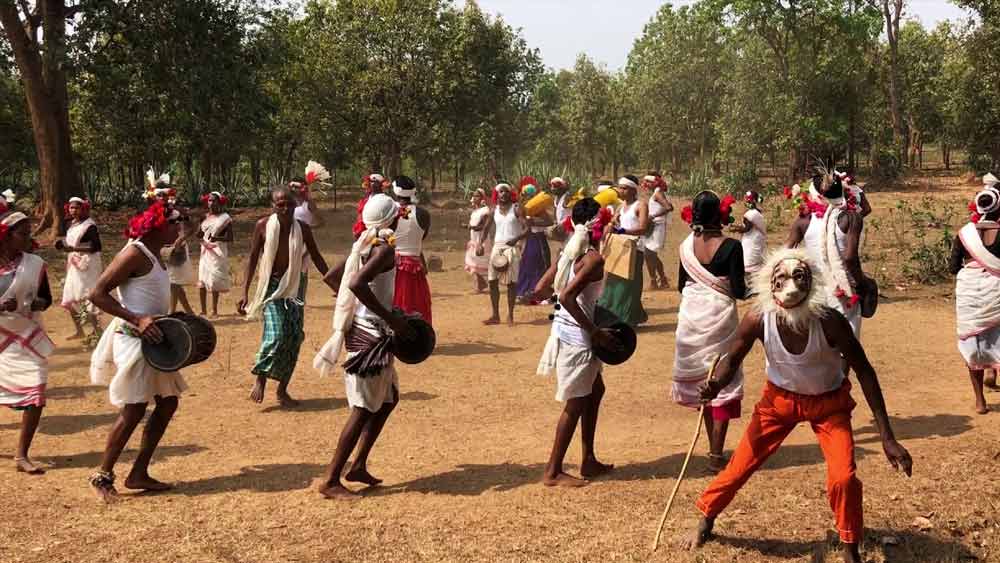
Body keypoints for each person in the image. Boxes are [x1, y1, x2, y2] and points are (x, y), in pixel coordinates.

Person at [686, 248, 913, 563]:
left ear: (811, 285)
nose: (791, 287)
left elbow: (865, 371)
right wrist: (715, 385)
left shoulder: (829, 321)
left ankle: (850, 548)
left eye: (799, 279)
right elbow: (731, 360)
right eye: (782, 280)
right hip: (778, 401)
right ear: (771, 286)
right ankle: (707, 515)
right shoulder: (757, 317)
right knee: (740, 466)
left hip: (829, 404)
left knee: (843, 477)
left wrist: (887, 437)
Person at [313, 194, 414, 498]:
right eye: (397, 215)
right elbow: (355, 283)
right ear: (391, 220)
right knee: (361, 409)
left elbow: (334, 277)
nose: (400, 218)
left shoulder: (363, 244)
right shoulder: (382, 250)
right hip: (371, 334)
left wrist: (359, 308)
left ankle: (357, 465)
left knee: (387, 399)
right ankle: (331, 480)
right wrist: (385, 316)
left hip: (368, 329)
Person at [88, 201, 189, 501]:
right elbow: (96, 293)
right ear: (158, 226)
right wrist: (137, 319)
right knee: (133, 409)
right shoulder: (134, 252)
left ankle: (139, 473)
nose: (179, 225)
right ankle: (102, 475)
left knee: (168, 403)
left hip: (155, 341)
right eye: (174, 221)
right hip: (134, 340)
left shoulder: (155, 254)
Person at [534, 198, 616, 486]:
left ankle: (589, 460)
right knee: (576, 401)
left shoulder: (567, 252)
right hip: (580, 337)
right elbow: (568, 297)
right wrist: (593, 330)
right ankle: (553, 471)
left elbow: (541, 288)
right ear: (600, 224)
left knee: (595, 390)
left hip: (565, 330)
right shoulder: (592, 259)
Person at [673, 191, 747, 473]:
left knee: (704, 382)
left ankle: (713, 450)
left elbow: (682, 286)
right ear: (720, 215)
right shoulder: (731, 247)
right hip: (720, 319)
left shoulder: (685, 247)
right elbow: (739, 291)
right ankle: (717, 455)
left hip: (692, 318)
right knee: (722, 379)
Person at [239, 186, 328, 407]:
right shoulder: (262, 226)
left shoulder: (303, 229)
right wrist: (244, 291)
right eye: (280, 204)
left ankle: (282, 390)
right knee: (277, 333)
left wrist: (336, 283)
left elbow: (317, 257)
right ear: (273, 206)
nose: (286, 207)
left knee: (295, 336)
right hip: (271, 286)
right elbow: (252, 259)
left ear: (296, 204)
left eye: (289, 203)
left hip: (295, 287)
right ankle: (260, 378)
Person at [0, 208, 53, 474]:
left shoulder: (34, 264)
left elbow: (47, 299)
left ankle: (21, 455)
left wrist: (36, 303)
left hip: (25, 336)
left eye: (28, 233)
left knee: (36, 390)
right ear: (6, 236)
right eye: (22, 234)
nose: (27, 239)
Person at [786, 171, 869, 338]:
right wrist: (863, 283)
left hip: (812, 292)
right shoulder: (851, 218)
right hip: (843, 293)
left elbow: (786, 253)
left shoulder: (804, 220)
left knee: (817, 345)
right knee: (846, 348)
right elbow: (849, 258)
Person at [950, 183, 1000, 414]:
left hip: (969, 293)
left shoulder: (964, 234)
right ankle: (994, 370)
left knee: (974, 343)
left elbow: (953, 267)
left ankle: (980, 401)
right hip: (996, 291)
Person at [597, 176, 649, 327]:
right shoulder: (621, 207)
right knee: (614, 282)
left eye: (624, 188)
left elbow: (643, 228)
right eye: (620, 187)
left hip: (635, 249)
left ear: (633, 190)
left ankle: (627, 319)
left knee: (630, 285)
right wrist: (605, 233)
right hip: (620, 248)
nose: (620, 191)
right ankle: (615, 315)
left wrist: (623, 230)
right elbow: (612, 223)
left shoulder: (641, 205)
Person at [482, 183, 528, 326]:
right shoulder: (493, 210)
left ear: (510, 194)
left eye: (506, 191)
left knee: (511, 283)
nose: (503, 194)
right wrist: (480, 243)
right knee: (492, 281)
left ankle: (510, 315)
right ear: (497, 194)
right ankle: (495, 315)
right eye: (501, 191)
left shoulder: (516, 209)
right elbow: (486, 227)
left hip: (511, 248)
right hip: (497, 247)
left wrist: (515, 240)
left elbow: (527, 228)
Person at [57, 197, 103, 338]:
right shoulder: (71, 224)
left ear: (83, 209)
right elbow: (71, 242)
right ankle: (80, 331)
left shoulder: (90, 226)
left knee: (88, 296)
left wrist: (71, 248)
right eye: (71, 208)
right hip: (74, 264)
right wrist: (64, 246)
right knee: (70, 296)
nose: (73, 210)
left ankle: (97, 331)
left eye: (76, 208)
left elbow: (96, 246)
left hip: (88, 265)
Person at [391, 175, 432, 324]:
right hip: (415, 266)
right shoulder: (424, 214)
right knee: (418, 303)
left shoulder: (390, 212)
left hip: (392, 265)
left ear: (395, 191)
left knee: (396, 302)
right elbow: (420, 239)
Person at [516, 176, 554, 304]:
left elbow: (549, 221)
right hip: (529, 239)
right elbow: (522, 224)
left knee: (539, 266)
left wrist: (532, 221)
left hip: (538, 239)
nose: (525, 197)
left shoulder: (538, 209)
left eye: (527, 195)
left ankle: (538, 293)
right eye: (524, 195)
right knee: (527, 266)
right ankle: (525, 292)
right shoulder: (523, 208)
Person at [197, 192, 233, 318]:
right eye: (209, 200)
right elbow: (198, 235)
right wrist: (204, 243)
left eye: (214, 201)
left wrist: (216, 238)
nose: (211, 203)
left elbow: (230, 238)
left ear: (219, 202)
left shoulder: (225, 218)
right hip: (205, 252)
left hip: (218, 252)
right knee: (202, 280)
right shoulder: (204, 217)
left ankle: (214, 310)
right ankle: (203, 310)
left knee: (214, 281)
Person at [729, 190, 767, 292]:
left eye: (746, 198)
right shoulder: (757, 212)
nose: (745, 200)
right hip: (755, 239)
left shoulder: (750, 214)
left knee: (748, 262)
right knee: (754, 262)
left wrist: (735, 228)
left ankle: (751, 287)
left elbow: (746, 228)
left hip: (751, 240)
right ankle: (755, 286)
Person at [642, 173, 673, 290]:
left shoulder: (658, 193)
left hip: (657, 226)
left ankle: (654, 280)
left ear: (654, 182)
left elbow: (669, 207)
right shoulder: (656, 192)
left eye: (648, 182)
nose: (646, 184)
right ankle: (662, 280)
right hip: (654, 226)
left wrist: (652, 216)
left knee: (649, 253)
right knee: (651, 254)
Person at [462, 188, 492, 293]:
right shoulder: (475, 211)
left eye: (477, 196)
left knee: (478, 262)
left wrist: (469, 227)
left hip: (481, 239)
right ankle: (480, 284)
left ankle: (480, 285)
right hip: (474, 239)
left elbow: (482, 226)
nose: (474, 198)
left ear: (482, 198)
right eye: (474, 196)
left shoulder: (485, 211)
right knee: (474, 262)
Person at [353, 173, 387, 239]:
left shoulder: (387, 200)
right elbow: (360, 219)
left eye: (375, 182)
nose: (373, 184)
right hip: (366, 234)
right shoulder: (364, 201)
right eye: (371, 182)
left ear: (381, 185)